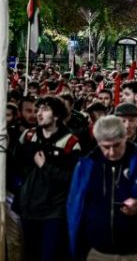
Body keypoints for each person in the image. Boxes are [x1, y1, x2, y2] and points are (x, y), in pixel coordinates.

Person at [67, 115, 137, 260]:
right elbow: (74, 205)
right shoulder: (86, 166)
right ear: (97, 142)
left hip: (136, 252)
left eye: (117, 145)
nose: (111, 152)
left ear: (125, 137)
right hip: (96, 252)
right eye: (106, 147)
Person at [14, 95, 81, 261]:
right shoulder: (29, 136)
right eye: (38, 109)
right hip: (28, 209)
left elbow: (72, 179)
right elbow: (15, 165)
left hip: (53, 213)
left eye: (45, 109)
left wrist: (46, 167)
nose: (39, 113)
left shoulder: (70, 142)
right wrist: (21, 189)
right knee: (29, 255)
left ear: (56, 115)